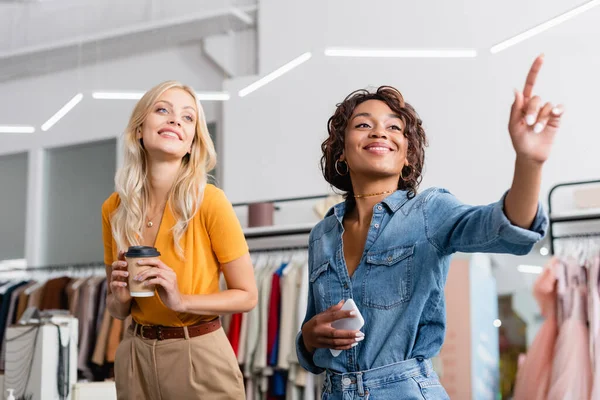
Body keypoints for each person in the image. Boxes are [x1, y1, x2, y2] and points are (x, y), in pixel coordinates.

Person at [296, 55, 563, 399]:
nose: (380, 131)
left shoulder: (428, 211)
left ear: (407, 153)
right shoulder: (323, 234)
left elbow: (508, 228)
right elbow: (311, 344)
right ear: (341, 151)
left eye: (395, 127)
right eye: (363, 124)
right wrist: (308, 336)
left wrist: (529, 161)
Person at [101, 81, 258, 399]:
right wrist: (118, 296)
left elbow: (247, 296)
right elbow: (118, 309)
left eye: (188, 118)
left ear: (192, 143)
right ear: (140, 130)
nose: (175, 120)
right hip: (134, 355)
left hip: (197, 354)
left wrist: (181, 300)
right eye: (162, 110)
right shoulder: (114, 208)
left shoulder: (209, 201)